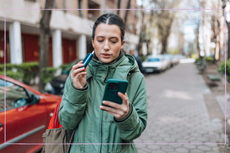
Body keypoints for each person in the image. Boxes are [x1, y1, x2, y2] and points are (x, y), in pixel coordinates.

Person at [58, 13, 147, 153]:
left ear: (122, 44)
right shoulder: (78, 74)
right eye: (100, 40)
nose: (106, 47)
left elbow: (135, 132)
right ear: (93, 42)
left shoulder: (136, 78)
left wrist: (127, 116)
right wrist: (77, 90)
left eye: (113, 41)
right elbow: (67, 123)